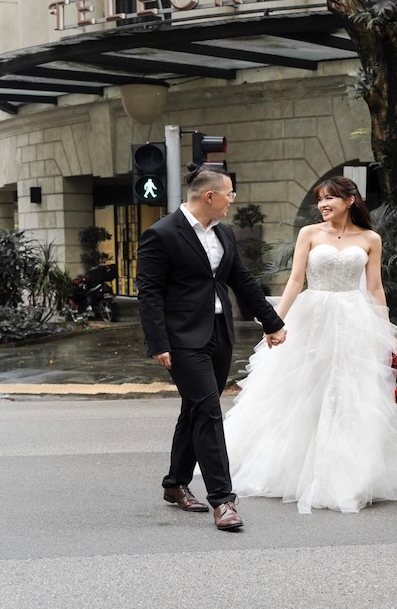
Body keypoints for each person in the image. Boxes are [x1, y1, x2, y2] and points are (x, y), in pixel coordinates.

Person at [224, 176, 397, 513]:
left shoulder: (371, 238)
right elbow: (296, 279)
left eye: (330, 198)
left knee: (350, 391)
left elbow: (375, 287)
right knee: (303, 389)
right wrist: (275, 321)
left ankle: (349, 471)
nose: (323, 204)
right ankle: (295, 466)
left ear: (350, 200)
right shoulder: (310, 234)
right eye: (320, 199)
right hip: (312, 316)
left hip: (355, 319)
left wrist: (383, 326)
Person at [136, 165, 286, 531]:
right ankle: (223, 500)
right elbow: (150, 293)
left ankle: (175, 483)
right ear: (210, 196)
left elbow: (242, 280)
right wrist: (158, 342)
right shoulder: (162, 234)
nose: (232, 201)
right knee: (209, 411)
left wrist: (273, 322)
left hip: (219, 333)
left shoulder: (225, 233)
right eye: (229, 194)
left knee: (196, 410)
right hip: (183, 339)